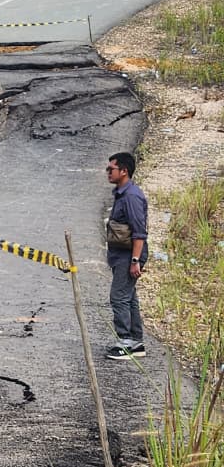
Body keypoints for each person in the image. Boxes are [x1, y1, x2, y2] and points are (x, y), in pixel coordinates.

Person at [105, 152, 149, 360]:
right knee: (129, 297)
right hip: (121, 254)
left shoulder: (131, 196)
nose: (108, 173)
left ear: (124, 171)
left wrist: (135, 260)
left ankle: (126, 341)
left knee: (119, 297)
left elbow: (139, 231)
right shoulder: (121, 193)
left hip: (129, 255)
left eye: (111, 169)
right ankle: (136, 341)